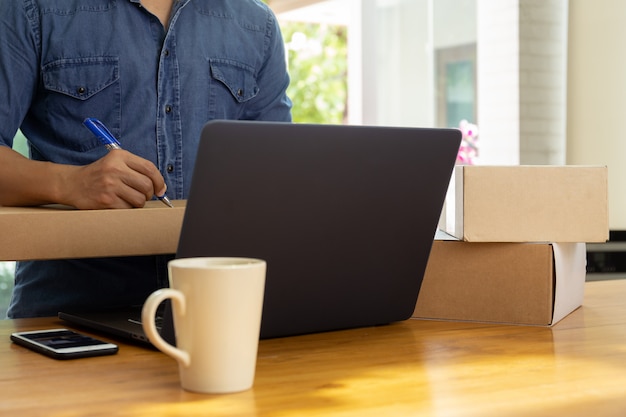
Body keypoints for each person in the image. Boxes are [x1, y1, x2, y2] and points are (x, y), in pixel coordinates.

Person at [0, 0, 292, 318]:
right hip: (68, 315)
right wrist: (71, 183)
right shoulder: (31, 8)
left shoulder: (255, 22)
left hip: (217, 313)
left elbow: (278, 176)